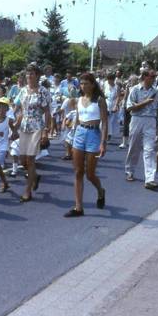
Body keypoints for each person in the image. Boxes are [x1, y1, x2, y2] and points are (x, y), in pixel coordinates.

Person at [65, 73, 108, 217]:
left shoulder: (99, 100)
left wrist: (103, 143)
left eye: (86, 83)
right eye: (81, 84)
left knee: (90, 174)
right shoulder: (79, 99)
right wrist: (71, 135)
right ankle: (78, 207)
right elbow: (77, 119)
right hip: (79, 133)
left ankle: (100, 190)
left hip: (93, 134)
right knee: (78, 172)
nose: (83, 86)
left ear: (93, 84)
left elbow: (105, 122)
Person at [13, 63, 51, 202]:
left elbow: (47, 112)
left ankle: (27, 191)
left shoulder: (43, 91)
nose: (29, 76)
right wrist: (14, 126)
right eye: (27, 73)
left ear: (37, 76)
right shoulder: (23, 90)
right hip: (24, 127)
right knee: (22, 159)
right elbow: (20, 109)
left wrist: (45, 131)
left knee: (30, 159)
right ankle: (35, 176)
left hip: (37, 127)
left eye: (32, 73)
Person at [124, 69, 158, 190]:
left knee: (150, 149)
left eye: (154, 77)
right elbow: (129, 107)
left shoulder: (155, 91)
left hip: (150, 120)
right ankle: (130, 170)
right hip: (137, 119)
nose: (153, 79)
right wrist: (145, 102)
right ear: (144, 77)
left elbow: (157, 107)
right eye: (151, 76)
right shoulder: (134, 89)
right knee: (134, 147)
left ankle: (150, 179)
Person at [119, 75, 139, 149]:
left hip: (135, 108)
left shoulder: (138, 88)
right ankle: (124, 142)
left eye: (132, 80)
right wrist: (123, 103)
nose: (130, 82)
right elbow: (126, 96)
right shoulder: (129, 87)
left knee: (134, 125)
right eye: (130, 80)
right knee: (126, 124)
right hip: (127, 107)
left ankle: (133, 142)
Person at [103, 73, 120, 143]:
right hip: (106, 103)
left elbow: (118, 97)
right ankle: (104, 134)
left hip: (113, 104)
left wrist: (116, 105)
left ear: (113, 80)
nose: (109, 81)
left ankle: (109, 135)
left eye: (110, 80)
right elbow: (103, 93)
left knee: (111, 121)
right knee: (105, 120)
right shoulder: (105, 84)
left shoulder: (117, 87)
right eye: (108, 80)